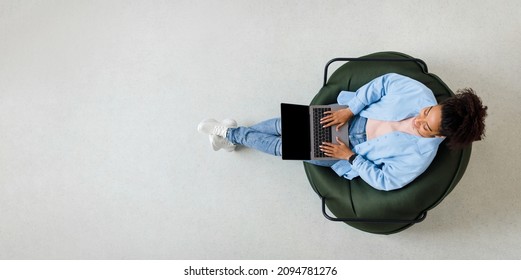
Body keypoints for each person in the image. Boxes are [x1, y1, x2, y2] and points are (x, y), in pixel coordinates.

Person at [198, 73, 488, 191]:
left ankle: (231, 134)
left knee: (282, 147)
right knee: (281, 126)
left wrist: (350, 158)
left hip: (346, 151)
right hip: (349, 116)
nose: (418, 119)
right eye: (427, 111)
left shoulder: (420, 157)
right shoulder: (419, 93)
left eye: (426, 127)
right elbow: (383, 83)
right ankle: (232, 135)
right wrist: (350, 109)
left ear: (441, 137)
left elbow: (387, 181)